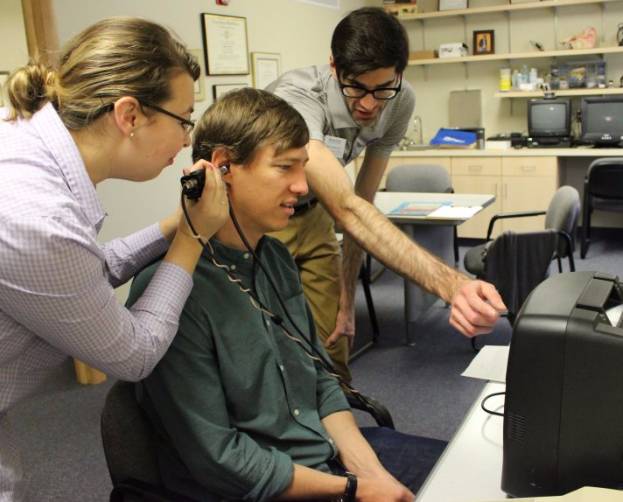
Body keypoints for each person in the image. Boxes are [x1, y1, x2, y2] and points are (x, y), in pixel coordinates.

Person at [129, 88, 447, 502]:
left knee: (472, 473)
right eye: (285, 168)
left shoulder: (275, 258)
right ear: (223, 167)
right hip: (258, 488)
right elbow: (221, 461)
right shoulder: (169, 293)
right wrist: (355, 489)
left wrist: (370, 474)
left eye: (304, 168)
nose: (303, 186)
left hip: (324, 461)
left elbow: (320, 378)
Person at [0, 18, 228, 500]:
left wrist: (172, 225)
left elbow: (80, 277)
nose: (187, 140)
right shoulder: (36, 217)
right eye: (184, 120)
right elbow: (135, 354)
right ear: (129, 115)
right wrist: (191, 239)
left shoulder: (23, 144)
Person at [266, 7, 506, 381]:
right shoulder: (297, 98)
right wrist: (452, 284)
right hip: (262, 218)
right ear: (333, 66)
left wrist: (348, 296)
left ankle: (342, 430)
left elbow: (363, 198)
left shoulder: (399, 100)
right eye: (356, 87)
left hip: (314, 214)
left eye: (382, 89)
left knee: (334, 337)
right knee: (272, 342)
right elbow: (347, 208)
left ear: (398, 75)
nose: (368, 104)